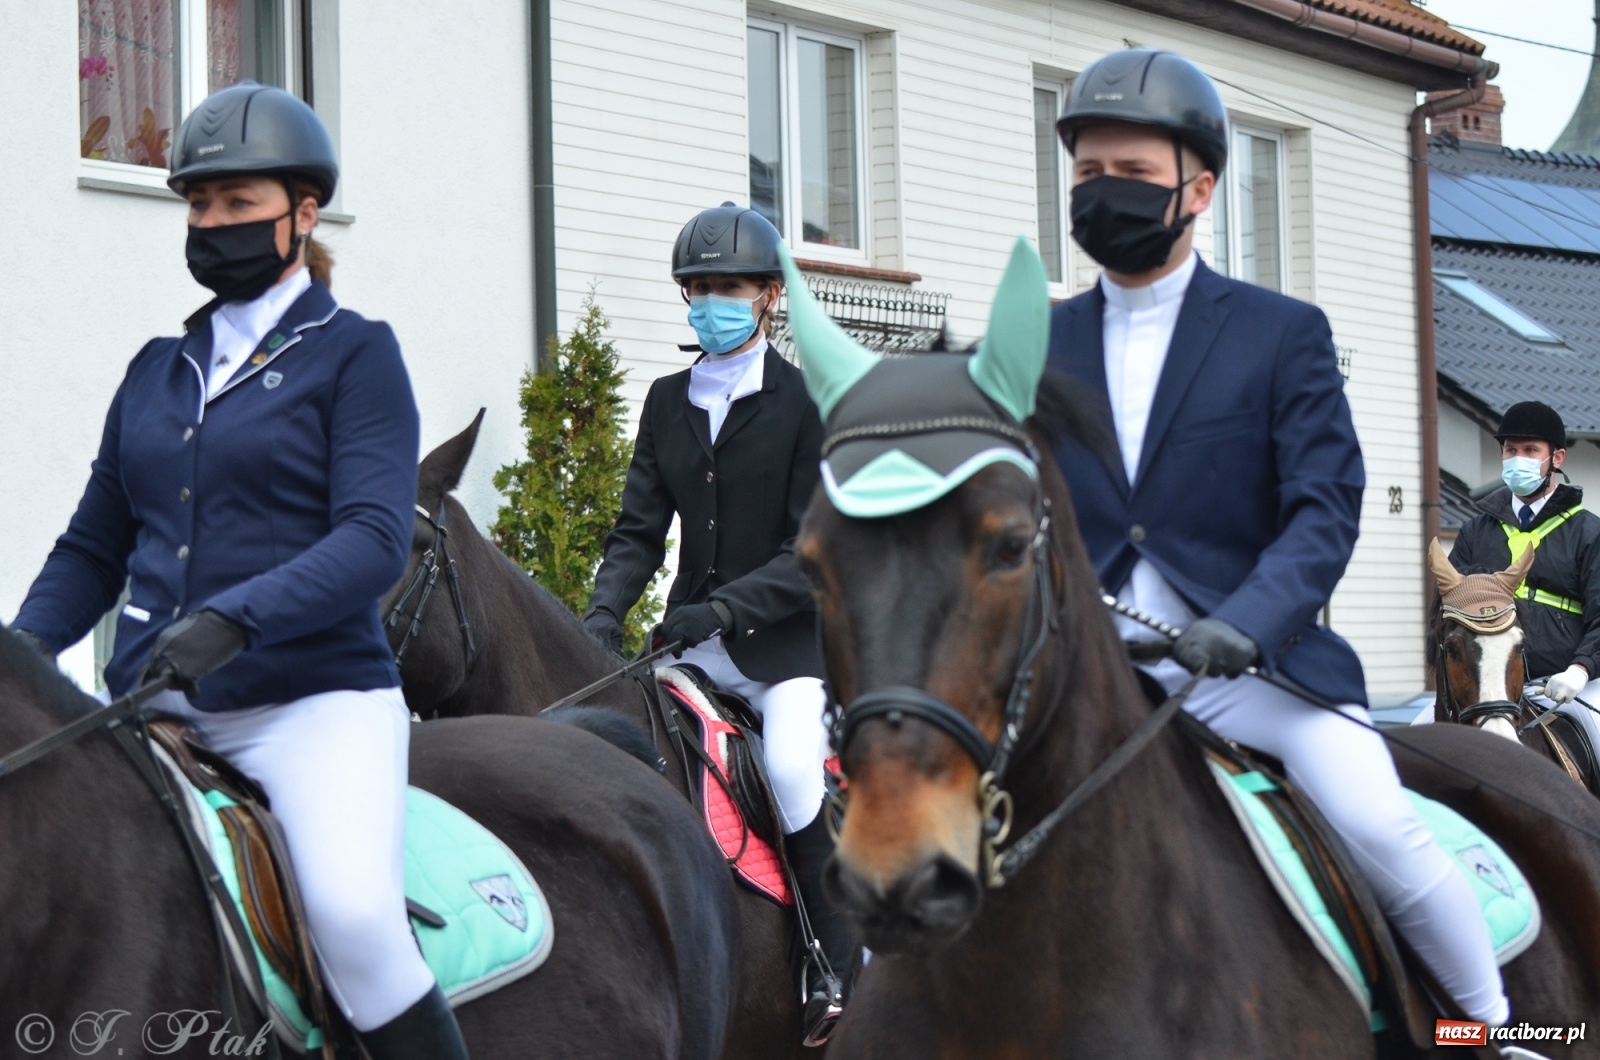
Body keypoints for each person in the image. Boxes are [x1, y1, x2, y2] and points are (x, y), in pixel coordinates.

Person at [1044, 48, 1512, 1032]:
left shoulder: (1279, 333)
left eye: (1133, 172)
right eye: (1088, 172)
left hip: (1252, 675)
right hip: (1083, 681)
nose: (1103, 191)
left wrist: (1247, 624)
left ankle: (1492, 1031)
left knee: (1378, 828)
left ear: (1199, 187)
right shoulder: (1037, 345)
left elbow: (1324, 510)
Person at [10, 82, 467, 1060]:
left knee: (354, 921)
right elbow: (92, 548)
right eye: (200, 204)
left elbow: (372, 538)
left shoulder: (357, 357)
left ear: (303, 214)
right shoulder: (156, 370)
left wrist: (236, 618)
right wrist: (22, 649)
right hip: (154, 707)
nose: (213, 222)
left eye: (238, 202)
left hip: (310, 706)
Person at [580, 202, 846, 1046]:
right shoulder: (667, 401)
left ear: (770, 294)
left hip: (784, 653)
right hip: (688, 648)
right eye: (698, 289)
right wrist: (602, 614)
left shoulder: (805, 402)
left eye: (728, 288)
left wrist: (727, 608)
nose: (710, 303)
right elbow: (637, 532)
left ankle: (831, 963)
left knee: (793, 771)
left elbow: (811, 550)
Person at [1447, 401, 1600, 748]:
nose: (1518, 459)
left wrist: (1581, 669)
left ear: (1556, 458)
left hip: (1568, 685)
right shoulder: (1474, 533)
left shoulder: (1589, 534)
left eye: (1530, 450)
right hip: (1484, 690)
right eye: (1511, 450)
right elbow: (1448, 612)